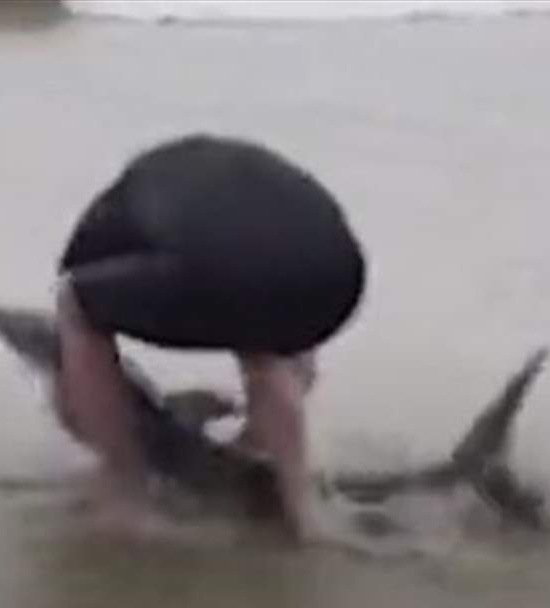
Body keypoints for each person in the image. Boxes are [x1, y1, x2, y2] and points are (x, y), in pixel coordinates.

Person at [54, 134, 366, 540]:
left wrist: (83, 401)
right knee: (265, 330)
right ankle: (301, 507)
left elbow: (75, 282)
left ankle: (123, 493)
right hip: (337, 277)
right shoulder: (203, 178)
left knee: (76, 309)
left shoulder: (107, 217)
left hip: (231, 265)